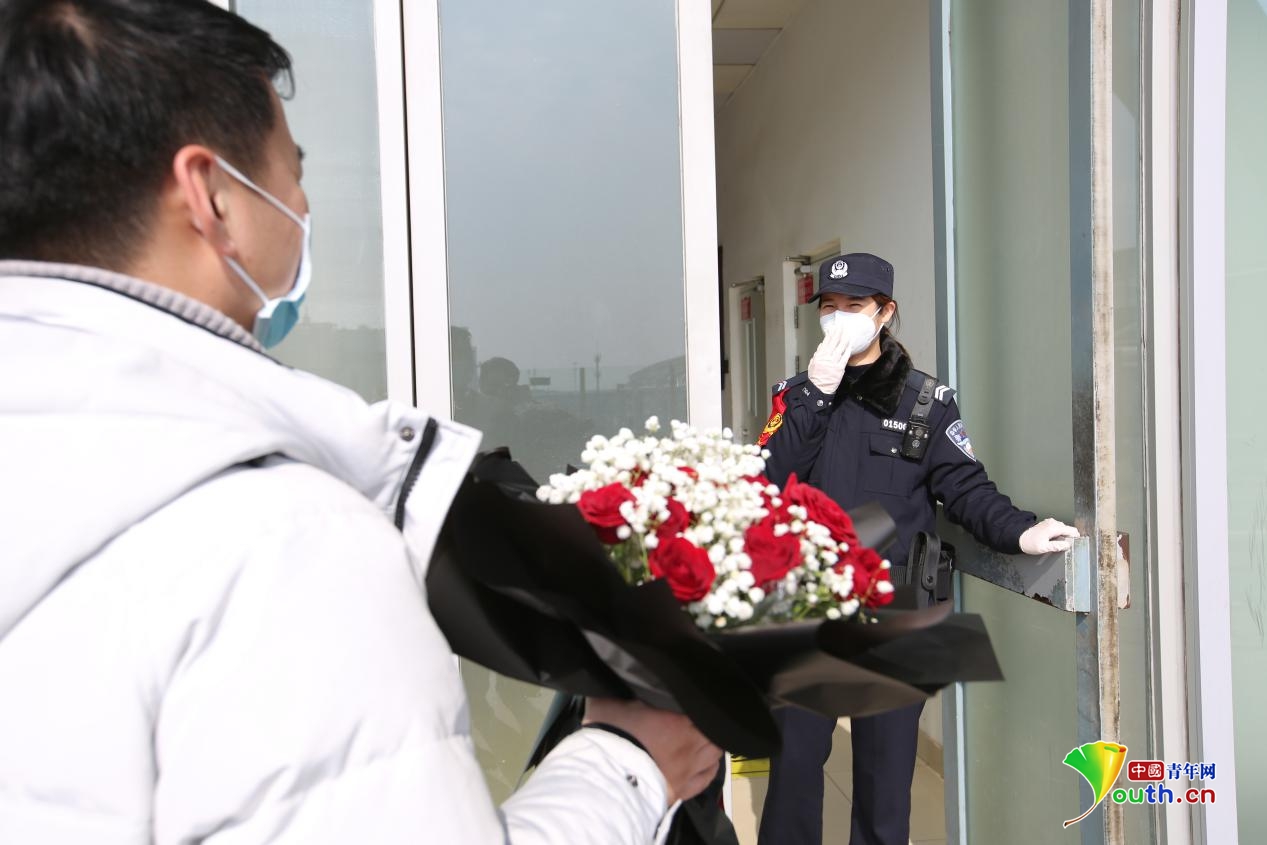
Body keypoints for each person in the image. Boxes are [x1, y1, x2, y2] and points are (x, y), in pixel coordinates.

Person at [0, 1, 720, 842]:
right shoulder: (280, 537)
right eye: (291, 169)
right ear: (213, 196)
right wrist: (626, 763)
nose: (302, 203)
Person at [755, 253, 1078, 845]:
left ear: (885, 313)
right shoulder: (796, 396)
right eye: (829, 307)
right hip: (806, 605)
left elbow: (966, 488)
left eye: (854, 306)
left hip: (895, 606)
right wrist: (816, 397)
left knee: (885, 781)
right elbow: (766, 481)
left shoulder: (926, 402)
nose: (839, 318)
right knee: (793, 766)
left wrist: (1020, 532)